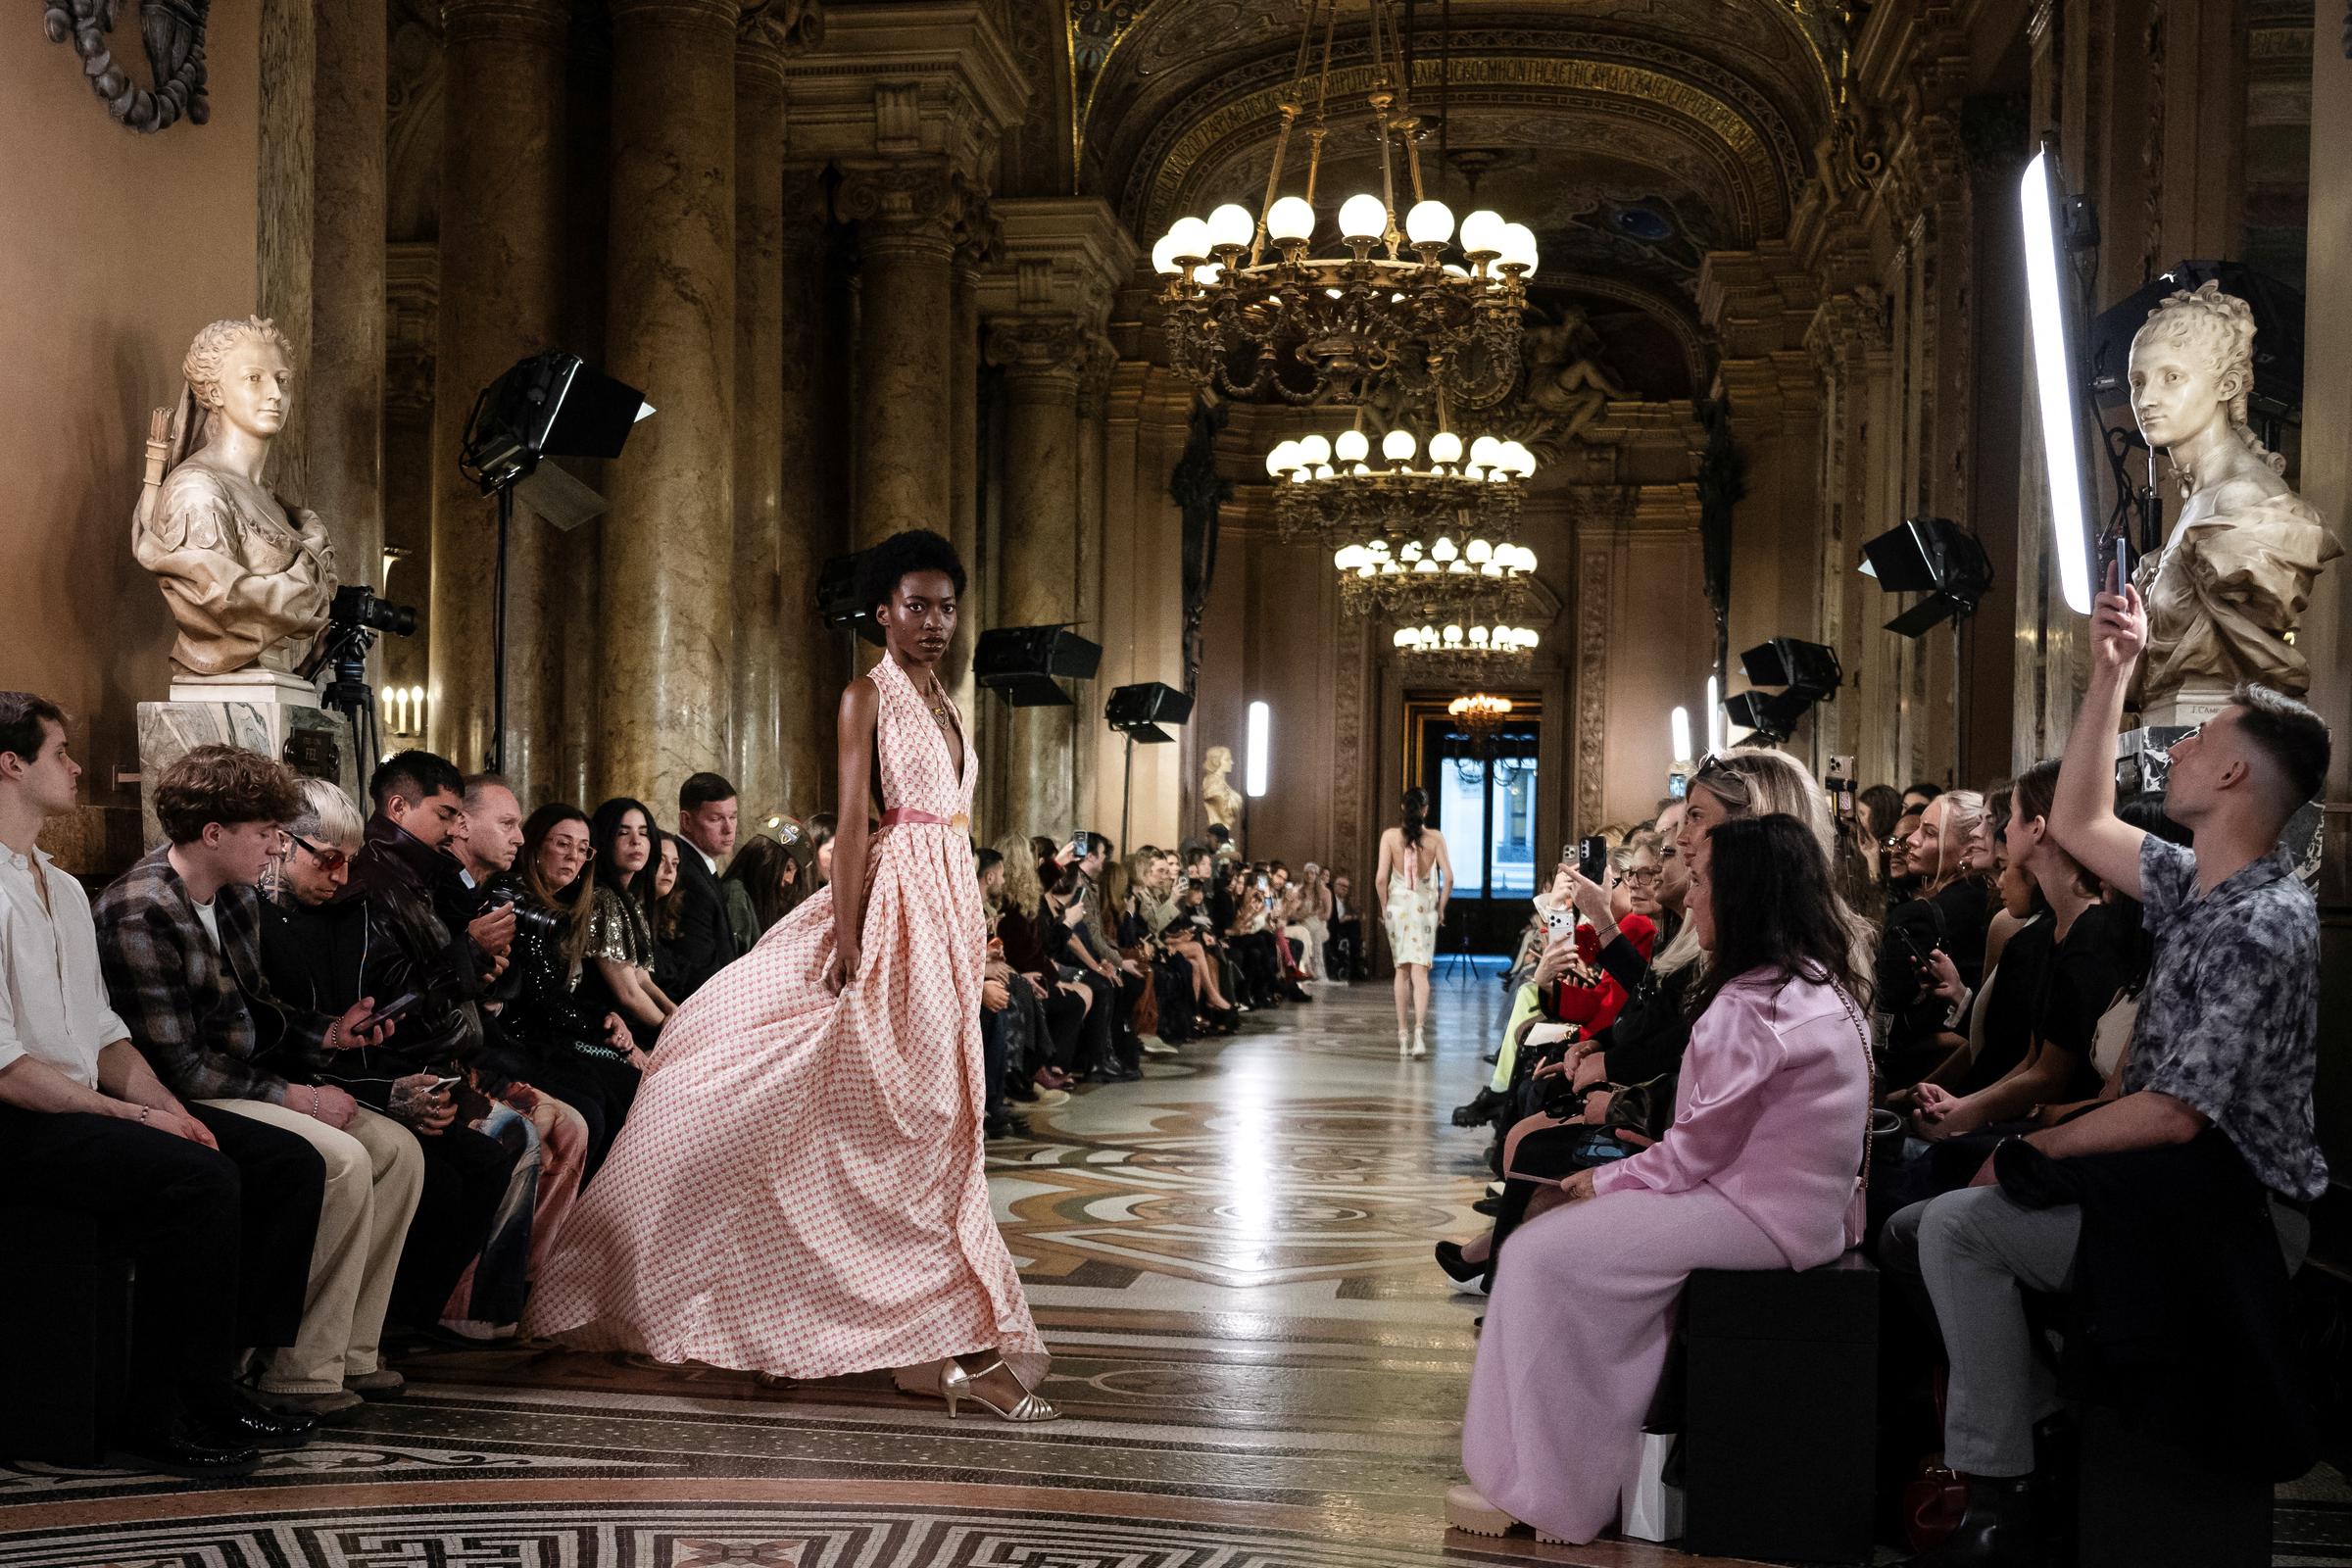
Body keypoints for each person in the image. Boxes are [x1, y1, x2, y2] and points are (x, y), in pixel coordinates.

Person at [528, 528, 1054, 1421]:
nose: (933, 622)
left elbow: (949, 828)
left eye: (946, 606)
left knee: (938, 1119)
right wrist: (848, 937)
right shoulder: (868, 695)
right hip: (890, 915)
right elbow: (853, 824)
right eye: (915, 605)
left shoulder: (950, 702)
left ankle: (922, 1337)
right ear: (883, 611)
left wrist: (974, 937)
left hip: (945, 912)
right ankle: (784, 1306)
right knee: (874, 1108)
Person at [1881, 572, 2330, 1567]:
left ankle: (1998, 1494)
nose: (2180, 748)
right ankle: (2047, 1419)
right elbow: (2080, 821)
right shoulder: (2198, 883)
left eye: (2204, 737)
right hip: (2171, 1191)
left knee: (1956, 1224)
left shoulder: (2265, 917)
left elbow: (2175, 1115)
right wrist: (2110, 672)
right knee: (1918, 1225)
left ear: (2235, 781)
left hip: (2236, 1213)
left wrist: (2033, 1150)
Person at [1448, 812, 1875, 1544]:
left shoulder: (1752, 1006)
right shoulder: (1812, 982)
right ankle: (1575, 1473)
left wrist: (1604, 1185)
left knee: (1538, 1253)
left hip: (1753, 1209)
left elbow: (1695, 1150)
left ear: (1744, 895)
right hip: (1798, 1208)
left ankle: (1539, 1492)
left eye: (1703, 880)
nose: (1692, 896)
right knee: (1562, 1245)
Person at [0, 694, 320, 1474]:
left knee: (275, 1160)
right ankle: (161, 1408)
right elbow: (7, 1065)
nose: (76, 766)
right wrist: (127, 1117)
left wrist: (171, 1110)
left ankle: (219, 1383)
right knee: (197, 1183)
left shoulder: (61, 886)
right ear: (9, 764)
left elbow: (105, 1034)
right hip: (19, 1117)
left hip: (75, 1103)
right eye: (59, 752)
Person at [96, 745, 424, 1417]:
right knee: (339, 1159)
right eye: (265, 832)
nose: (276, 846)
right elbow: (177, 1065)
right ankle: (295, 1370)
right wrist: (294, 1096)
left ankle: (348, 1351)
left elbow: (259, 1017)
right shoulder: (142, 908)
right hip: (176, 1096)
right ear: (212, 833)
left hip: (237, 1077)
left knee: (399, 1152)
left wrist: (331, 1033)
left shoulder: (235, 898)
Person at [254, 777, 523, 1341]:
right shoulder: (267, 911)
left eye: (348, 862)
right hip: (292, 1086)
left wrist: (399, 1080)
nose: (342, 877)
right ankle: (316, 1351)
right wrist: (388, 1090)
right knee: (402, 1157)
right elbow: (268, 1037)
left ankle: (376, 1336)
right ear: (280, 842)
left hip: (369, 1071)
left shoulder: (357, 901)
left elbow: (374, 1014)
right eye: (330, 860)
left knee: (487, 1154)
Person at [487, 805, 639, 1176]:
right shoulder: (517, 904)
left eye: (583, 849)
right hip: (519, 1041)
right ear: (535, 846)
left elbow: (558, 995)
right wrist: (604, 1023)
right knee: (608, 1096)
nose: (574, 857)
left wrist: (608, 1019)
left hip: (548, 1033)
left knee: (633, 1086)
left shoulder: (562, 906)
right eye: (563, 844)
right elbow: (542, 1000)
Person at [1375, 787, 1452, 1057]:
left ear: (1401, 807)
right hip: (1423, 910)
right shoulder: (1435, 838)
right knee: (1421, 973)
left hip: (1398, 908)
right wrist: (1441, 909)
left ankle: (1402, 1037)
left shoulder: (1389, 837)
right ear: (1426, 810)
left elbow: (1381, 880)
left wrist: (1384, 908)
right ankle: (1419, 1033)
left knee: (1402, 972)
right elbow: (1449, 878)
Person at [666, 772, 742, 999]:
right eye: (716, 819)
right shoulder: (685, 872)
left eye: (733, 817)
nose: (729, 829)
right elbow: (698, 968)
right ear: (686, 821)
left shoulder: (699, 864)